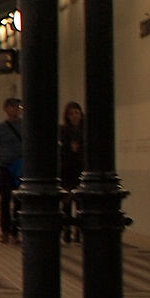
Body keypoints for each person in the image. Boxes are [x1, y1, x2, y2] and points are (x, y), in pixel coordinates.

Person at [0, 98, 24, 244]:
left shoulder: (25, 126)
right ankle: (5, 231)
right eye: (13, 107)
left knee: (19, 201)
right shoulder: (0, 128)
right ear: (6, 109)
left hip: (20, 168)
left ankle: (16, 232)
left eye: (18, 107)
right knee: (5, 200)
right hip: (5, 168)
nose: (16, 110)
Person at [59, 101, 85, 243]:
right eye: (71, 113)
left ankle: (79, 231)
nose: (74, 116)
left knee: (80, 202)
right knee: (67, 202)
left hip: (81, 170)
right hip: (67, 171)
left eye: (77, 113)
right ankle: (67, 230)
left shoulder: (85, 131)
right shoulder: (63, 131)